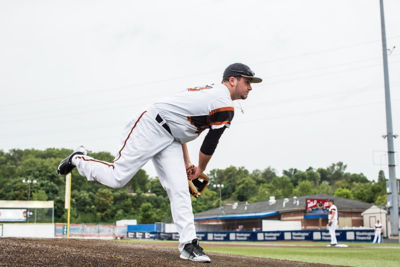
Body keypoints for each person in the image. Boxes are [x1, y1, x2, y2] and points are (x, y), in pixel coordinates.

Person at [57, 63, 262, 263]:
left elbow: (178, 125)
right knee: (117, 177)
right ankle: (78, 158)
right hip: (151, 127)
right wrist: (200, 169)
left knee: (179, 188)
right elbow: (210, 145)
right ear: (233, 80)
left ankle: (188, 244)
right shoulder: (223, 102)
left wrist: (187, 162)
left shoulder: (212, 94)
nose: (251, 87)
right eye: (248, 81)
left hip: (170, 137)